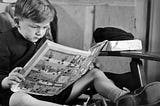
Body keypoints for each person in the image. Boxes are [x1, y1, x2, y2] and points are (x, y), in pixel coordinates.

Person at [0, 0, 133, 106]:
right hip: (24, 97)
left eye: (45, 27)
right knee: (19, 99)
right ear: (18, 22)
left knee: (95, 73)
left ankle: (124, 98)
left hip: (54, 94)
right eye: (35, 27)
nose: (40, 32)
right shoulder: (4, 42)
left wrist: (80, 68)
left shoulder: (44, 42)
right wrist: (5, 81)